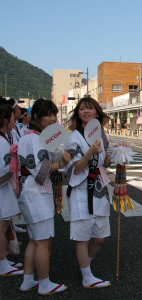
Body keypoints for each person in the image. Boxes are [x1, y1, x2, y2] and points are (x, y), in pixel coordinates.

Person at [18, 98, 70, 295]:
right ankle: (45, 283)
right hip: (36, 194)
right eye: (47, 114)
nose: (52, 118)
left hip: (28, 192)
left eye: (54, 114)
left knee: (34, 240)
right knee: (43, 241)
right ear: (37, 117)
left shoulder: (27, 136)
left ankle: (28, 280)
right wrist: (62, 162)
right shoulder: (36, 139)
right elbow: (41, 172)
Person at [65, 97, 111, 289]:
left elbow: (104, 162)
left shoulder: (99, 134)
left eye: (90, 108)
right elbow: (77, 167)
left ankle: (87, 265)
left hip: (99, 189)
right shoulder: (74, 137)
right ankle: (87, 277)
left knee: (99, 238)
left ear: (97, 113)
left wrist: (116, 155)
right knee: (83, 238)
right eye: (82, 109)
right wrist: (90, 151)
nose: (86, 112)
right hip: (82, 190)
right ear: (78, 113)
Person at [0, 104, 23, 277]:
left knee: (4, 224)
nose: (15, 121)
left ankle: (4, 261)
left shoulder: (5, 137)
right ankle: (2, 262)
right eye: (13, 118)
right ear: (6, 120)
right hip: (2, 189)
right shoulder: (1, 140)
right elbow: (3, 167)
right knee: (1, 228)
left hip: (6, 188)